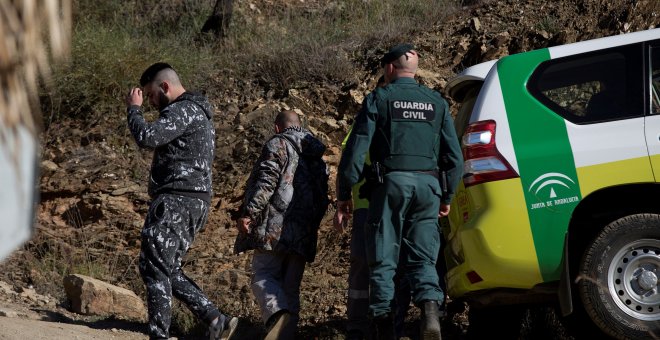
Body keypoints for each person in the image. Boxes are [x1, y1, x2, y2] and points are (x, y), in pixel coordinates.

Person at [335, 44, 463, 340]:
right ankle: (430, 311)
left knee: (383, 258)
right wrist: (447, 197)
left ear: (390, 68)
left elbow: (355, 152)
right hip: (428, 188)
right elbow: (454, 158)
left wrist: (344, 195)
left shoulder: (379, 99)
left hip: (390, 187)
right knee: (423, 257)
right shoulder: (436, 102)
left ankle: (383, 327)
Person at [126, 62, 238, 340]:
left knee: (155, 267)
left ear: (165, 87)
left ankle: (160, 335)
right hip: (190, 200)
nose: (151, 102)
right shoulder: (198, 112)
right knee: (164, 266)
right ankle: (215, 319)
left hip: (177, 200)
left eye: (151, 95)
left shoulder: (182, 110)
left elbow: (148, 137)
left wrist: (134, 109)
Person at [234, 110, 329, 340]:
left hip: (274, 225)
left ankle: (277, 314)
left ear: (278, 127)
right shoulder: (317, 154)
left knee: (263, 275)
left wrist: (249, 212)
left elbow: (266, 182)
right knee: (291, 289)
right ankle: (285, 335)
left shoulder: (277, 144)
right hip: (304, 230)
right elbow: (323, 196)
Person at [335, 76, 385, 340]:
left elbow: (346, 163)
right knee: (383, 266)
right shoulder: (398, 120)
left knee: (362, 266)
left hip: (366, 207)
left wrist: (341, 202)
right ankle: (383, 322)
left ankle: (359, 324)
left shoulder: (364, 120)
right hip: (388, 206)